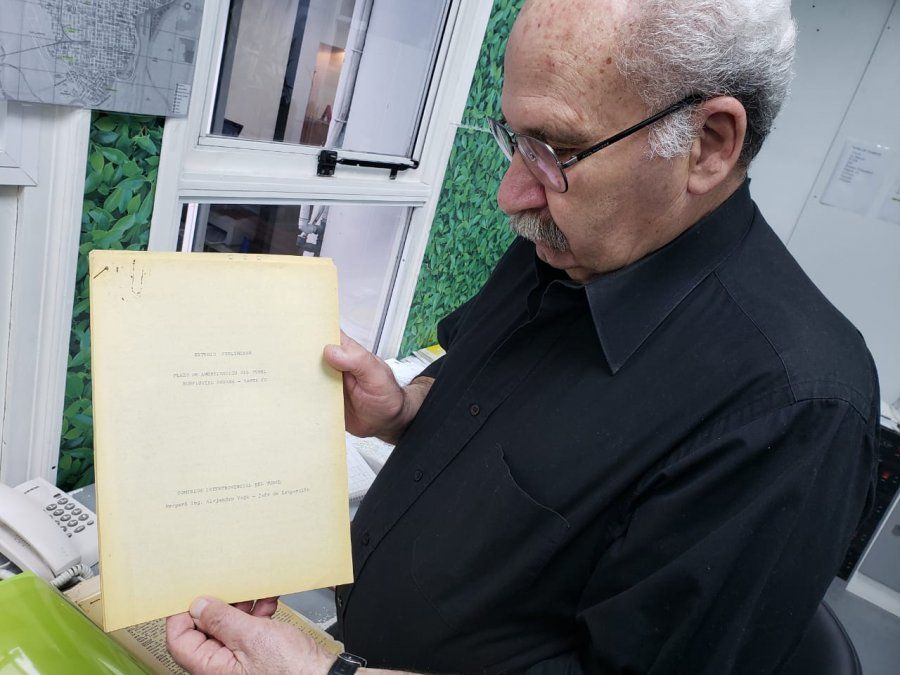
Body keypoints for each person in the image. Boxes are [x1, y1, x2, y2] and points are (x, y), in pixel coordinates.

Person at [167, 0, 879, 672]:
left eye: (557, 149)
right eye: (516, 139)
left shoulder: (793, 408)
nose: (512, 194)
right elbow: (481, 391)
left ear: (710, 143)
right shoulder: (565, 241)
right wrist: (403, 410)